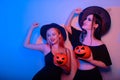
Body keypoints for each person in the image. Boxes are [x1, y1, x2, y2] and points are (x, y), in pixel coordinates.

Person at [65, 6, 112, 80]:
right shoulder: (78, 35)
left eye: (89, 20)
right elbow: (67, 26)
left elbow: (107, 65)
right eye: (85, 19)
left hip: (93, 75)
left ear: (95, 25)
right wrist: (73, 13)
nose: (85, 21)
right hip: (79, 73)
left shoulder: (100, 44)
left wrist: (90, 60)